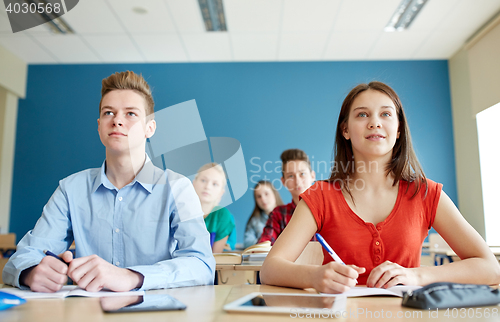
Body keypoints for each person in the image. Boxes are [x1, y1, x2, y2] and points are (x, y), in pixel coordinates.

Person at [260, 81, 500, 293]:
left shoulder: (425, 193)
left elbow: (490, 268)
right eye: (362, 115)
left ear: (397, 130)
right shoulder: (320, 196)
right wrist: (314, 276)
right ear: (345, 130)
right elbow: (270, 269)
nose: (374, 122)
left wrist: (417, 275)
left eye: (385, 114)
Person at [2, 71, 215, 292]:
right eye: (108, 113)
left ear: (149, 128)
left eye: (131, 114)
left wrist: (132, 277)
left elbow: (202, 265)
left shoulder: (177, 188)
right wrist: (31, 272)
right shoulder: (70, 189)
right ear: (99, 125)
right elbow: (21, 259)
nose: (117, 121)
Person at [258, 149, 316, 245]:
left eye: (302, 174)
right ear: (283, 181)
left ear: (312, 176)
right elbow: (265, 243)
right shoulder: (278, 215)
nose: (297, 181)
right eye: (291, 176)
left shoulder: (328, 210)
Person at [193, 163, 237, 253]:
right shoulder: (180, 212)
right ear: (193, 183)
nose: (207, 187)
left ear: (221, 193)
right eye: (203, 180)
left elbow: (215, 258)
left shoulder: (222, 216)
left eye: (215, 184)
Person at [244, 181, 283, 248]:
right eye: (259, 196)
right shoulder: (254, 221)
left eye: (266, 194)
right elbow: (247, 242)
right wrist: (264, 242)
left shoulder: (287, 215)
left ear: (274, 194)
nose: (263, 199)